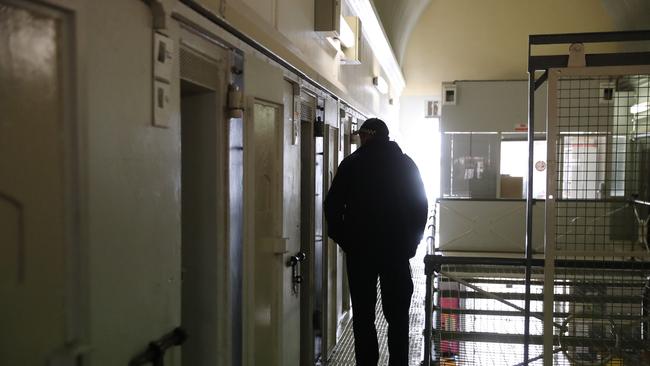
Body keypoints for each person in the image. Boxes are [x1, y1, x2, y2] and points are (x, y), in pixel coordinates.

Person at [324, 118, 428, 366]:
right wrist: (411, 244)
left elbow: (332, 206)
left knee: (363, 316)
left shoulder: (351, 164)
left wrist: (346, 241)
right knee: (398, 316)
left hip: (361, 254)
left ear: (366, 136)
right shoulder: (406, 165)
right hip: (396, 253)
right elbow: (420, 206)